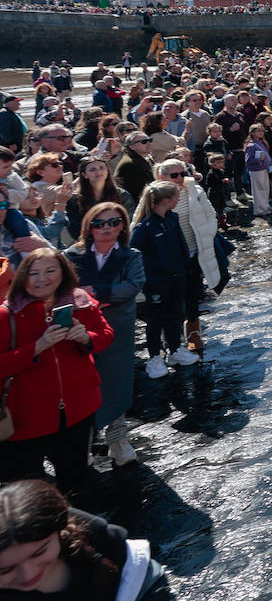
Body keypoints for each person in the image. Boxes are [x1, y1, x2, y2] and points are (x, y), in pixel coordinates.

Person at [0, 249, 113, 492]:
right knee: (29, 492)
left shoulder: (80, 302)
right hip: (25, 420)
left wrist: (85, 338)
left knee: (77, 479)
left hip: (78, 412)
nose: (42, 279)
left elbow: (105, 334)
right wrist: (37, 347)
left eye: (50, 270)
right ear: (22, 277)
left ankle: (74, 528)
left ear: (63, 273)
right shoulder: (6, 314)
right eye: (34, 273)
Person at [0, 479, 173, 601]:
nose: (27, 574)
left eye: (39, 552)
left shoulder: (138, 576)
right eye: (5, 569)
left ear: (59, 531)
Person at [62, 202, 143, 467]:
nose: (106, 228)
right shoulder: (71, 255)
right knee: (82, 382)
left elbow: (131, 288)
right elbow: (63, 289)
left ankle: (118, 437)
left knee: (117, 380)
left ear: (123, 226)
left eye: (114, 222)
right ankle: (83, 441)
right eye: (99, 223)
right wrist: (106, 292)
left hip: (118, 328)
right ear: (89, 226)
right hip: (80, 328)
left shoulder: (132, 256)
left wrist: (91, 291)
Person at [129, 182, 197, 378]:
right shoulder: (144, 227)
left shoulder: (172, 219)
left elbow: (181, 246)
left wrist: (186, 270)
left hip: (178, 278)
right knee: (155, 320)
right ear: (167, 201)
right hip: (157, 282)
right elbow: (137, 254)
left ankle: (175, 349)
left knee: (175, 315)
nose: (178, 201)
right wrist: (154, 274)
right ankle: (154, 356)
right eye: (176, 197)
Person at [112, 133, 155, 204]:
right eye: (144, 142)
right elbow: (139, 192)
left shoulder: (142, 159)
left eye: (150, 140)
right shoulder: (131, 164)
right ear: (132, 146)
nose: (149, 143)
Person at [244, 123, 272, 218]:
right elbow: (248, 160)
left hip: (263, 169)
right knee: (258, 190)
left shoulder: (261, 142)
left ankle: (265, 206)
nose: (261, 133)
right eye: (258, 131)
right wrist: (259, 159)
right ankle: (259, 210)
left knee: (265, 188)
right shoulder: (251, 145)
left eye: (262, 131)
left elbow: (267, 155)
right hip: (256, 170)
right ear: (252, 133)